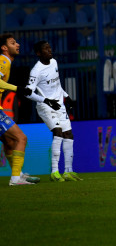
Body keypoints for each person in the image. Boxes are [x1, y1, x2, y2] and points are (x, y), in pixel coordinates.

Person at [24, 41, 82, 181]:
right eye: (45, 49)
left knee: (68, 134)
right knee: (58, 132)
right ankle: (54, 172)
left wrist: (67, 97)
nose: (50, 50)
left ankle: (68, 171)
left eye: (50, 47)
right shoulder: (36, 71)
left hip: (59, 104)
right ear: (38, 53)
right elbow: (28, 92)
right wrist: (46, 101)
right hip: (45, 105)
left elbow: (57, 84)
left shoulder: (54, 62)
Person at [0, 34, 37, 186]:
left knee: (9, 142)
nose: (17, 44)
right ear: (4, 47)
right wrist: (18, 88)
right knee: (21, 138)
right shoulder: (3, 60)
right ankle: (15, 179)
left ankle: (18, 174)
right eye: (13, 42)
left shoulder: (6, 61)